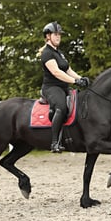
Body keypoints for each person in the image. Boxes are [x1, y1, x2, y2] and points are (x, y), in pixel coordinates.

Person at [37, 21, 90, 153]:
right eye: (55, 34)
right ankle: (54, 142)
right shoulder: (47, 53)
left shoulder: (59, 53)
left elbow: (68, 70)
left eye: (59, 34)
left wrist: (80, 78)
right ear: (48, 36)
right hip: (51, 88)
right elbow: (56, 72)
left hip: (63, 87)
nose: (58, 37)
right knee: (61, 107)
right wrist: (74, 81)